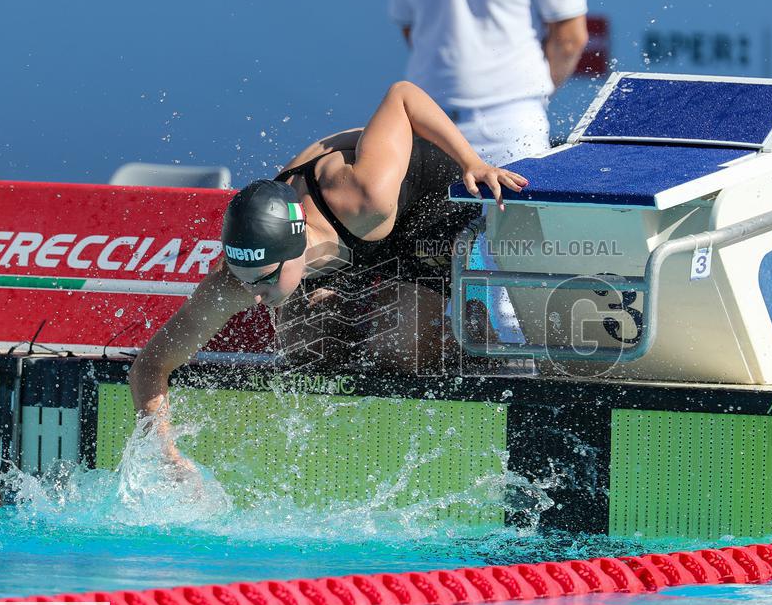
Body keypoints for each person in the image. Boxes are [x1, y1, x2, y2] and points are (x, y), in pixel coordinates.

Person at [127, 81, 527, 470]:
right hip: (343, 246)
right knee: (307, 351)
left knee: (399, 350)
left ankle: (470, 324)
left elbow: (403, 95)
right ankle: (366, 299)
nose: (253, 294)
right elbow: (150, 365)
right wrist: (165, 453)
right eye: (245, 278)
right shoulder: (238, 278)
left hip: (423, 208)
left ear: (297, 252)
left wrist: (472, 161)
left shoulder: (363, 194)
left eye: (265, 280)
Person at [389, 0, 589, 166]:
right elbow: (570, 40)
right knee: (514, 202)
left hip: (429, 122)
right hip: (506, 120)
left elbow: (411, 30)